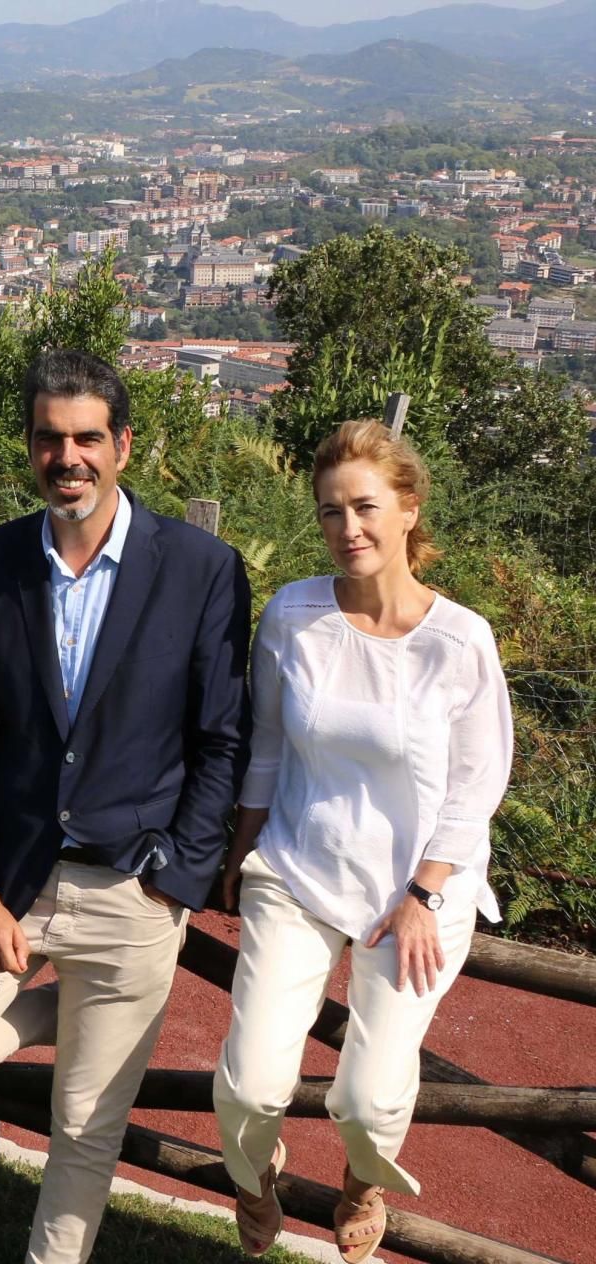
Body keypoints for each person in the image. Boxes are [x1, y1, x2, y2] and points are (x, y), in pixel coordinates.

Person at [0, 347, 252, 1264]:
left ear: (123, 445)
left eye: (87, 438)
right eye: (49, 438)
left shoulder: (202, 568)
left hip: (134, 893)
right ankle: (68, 1012)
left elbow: (222, 738)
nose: (67, 457)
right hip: (10, 887)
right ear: (29, 448)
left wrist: (180, 881)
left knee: (84, 1127)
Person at [212, 419, 512, 1263]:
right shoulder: (293, 613)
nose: (350, 529)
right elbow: (267, 746)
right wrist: (241, 849)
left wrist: (424, 895)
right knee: (250, 1082)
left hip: (419, 886)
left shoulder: (461, 640)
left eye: (367, 507)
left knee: (372, 1099)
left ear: (409, 509)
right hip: (302, 865)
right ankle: (254, 1172)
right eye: (331, 512)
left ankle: (360, 1177)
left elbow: (476, 785)